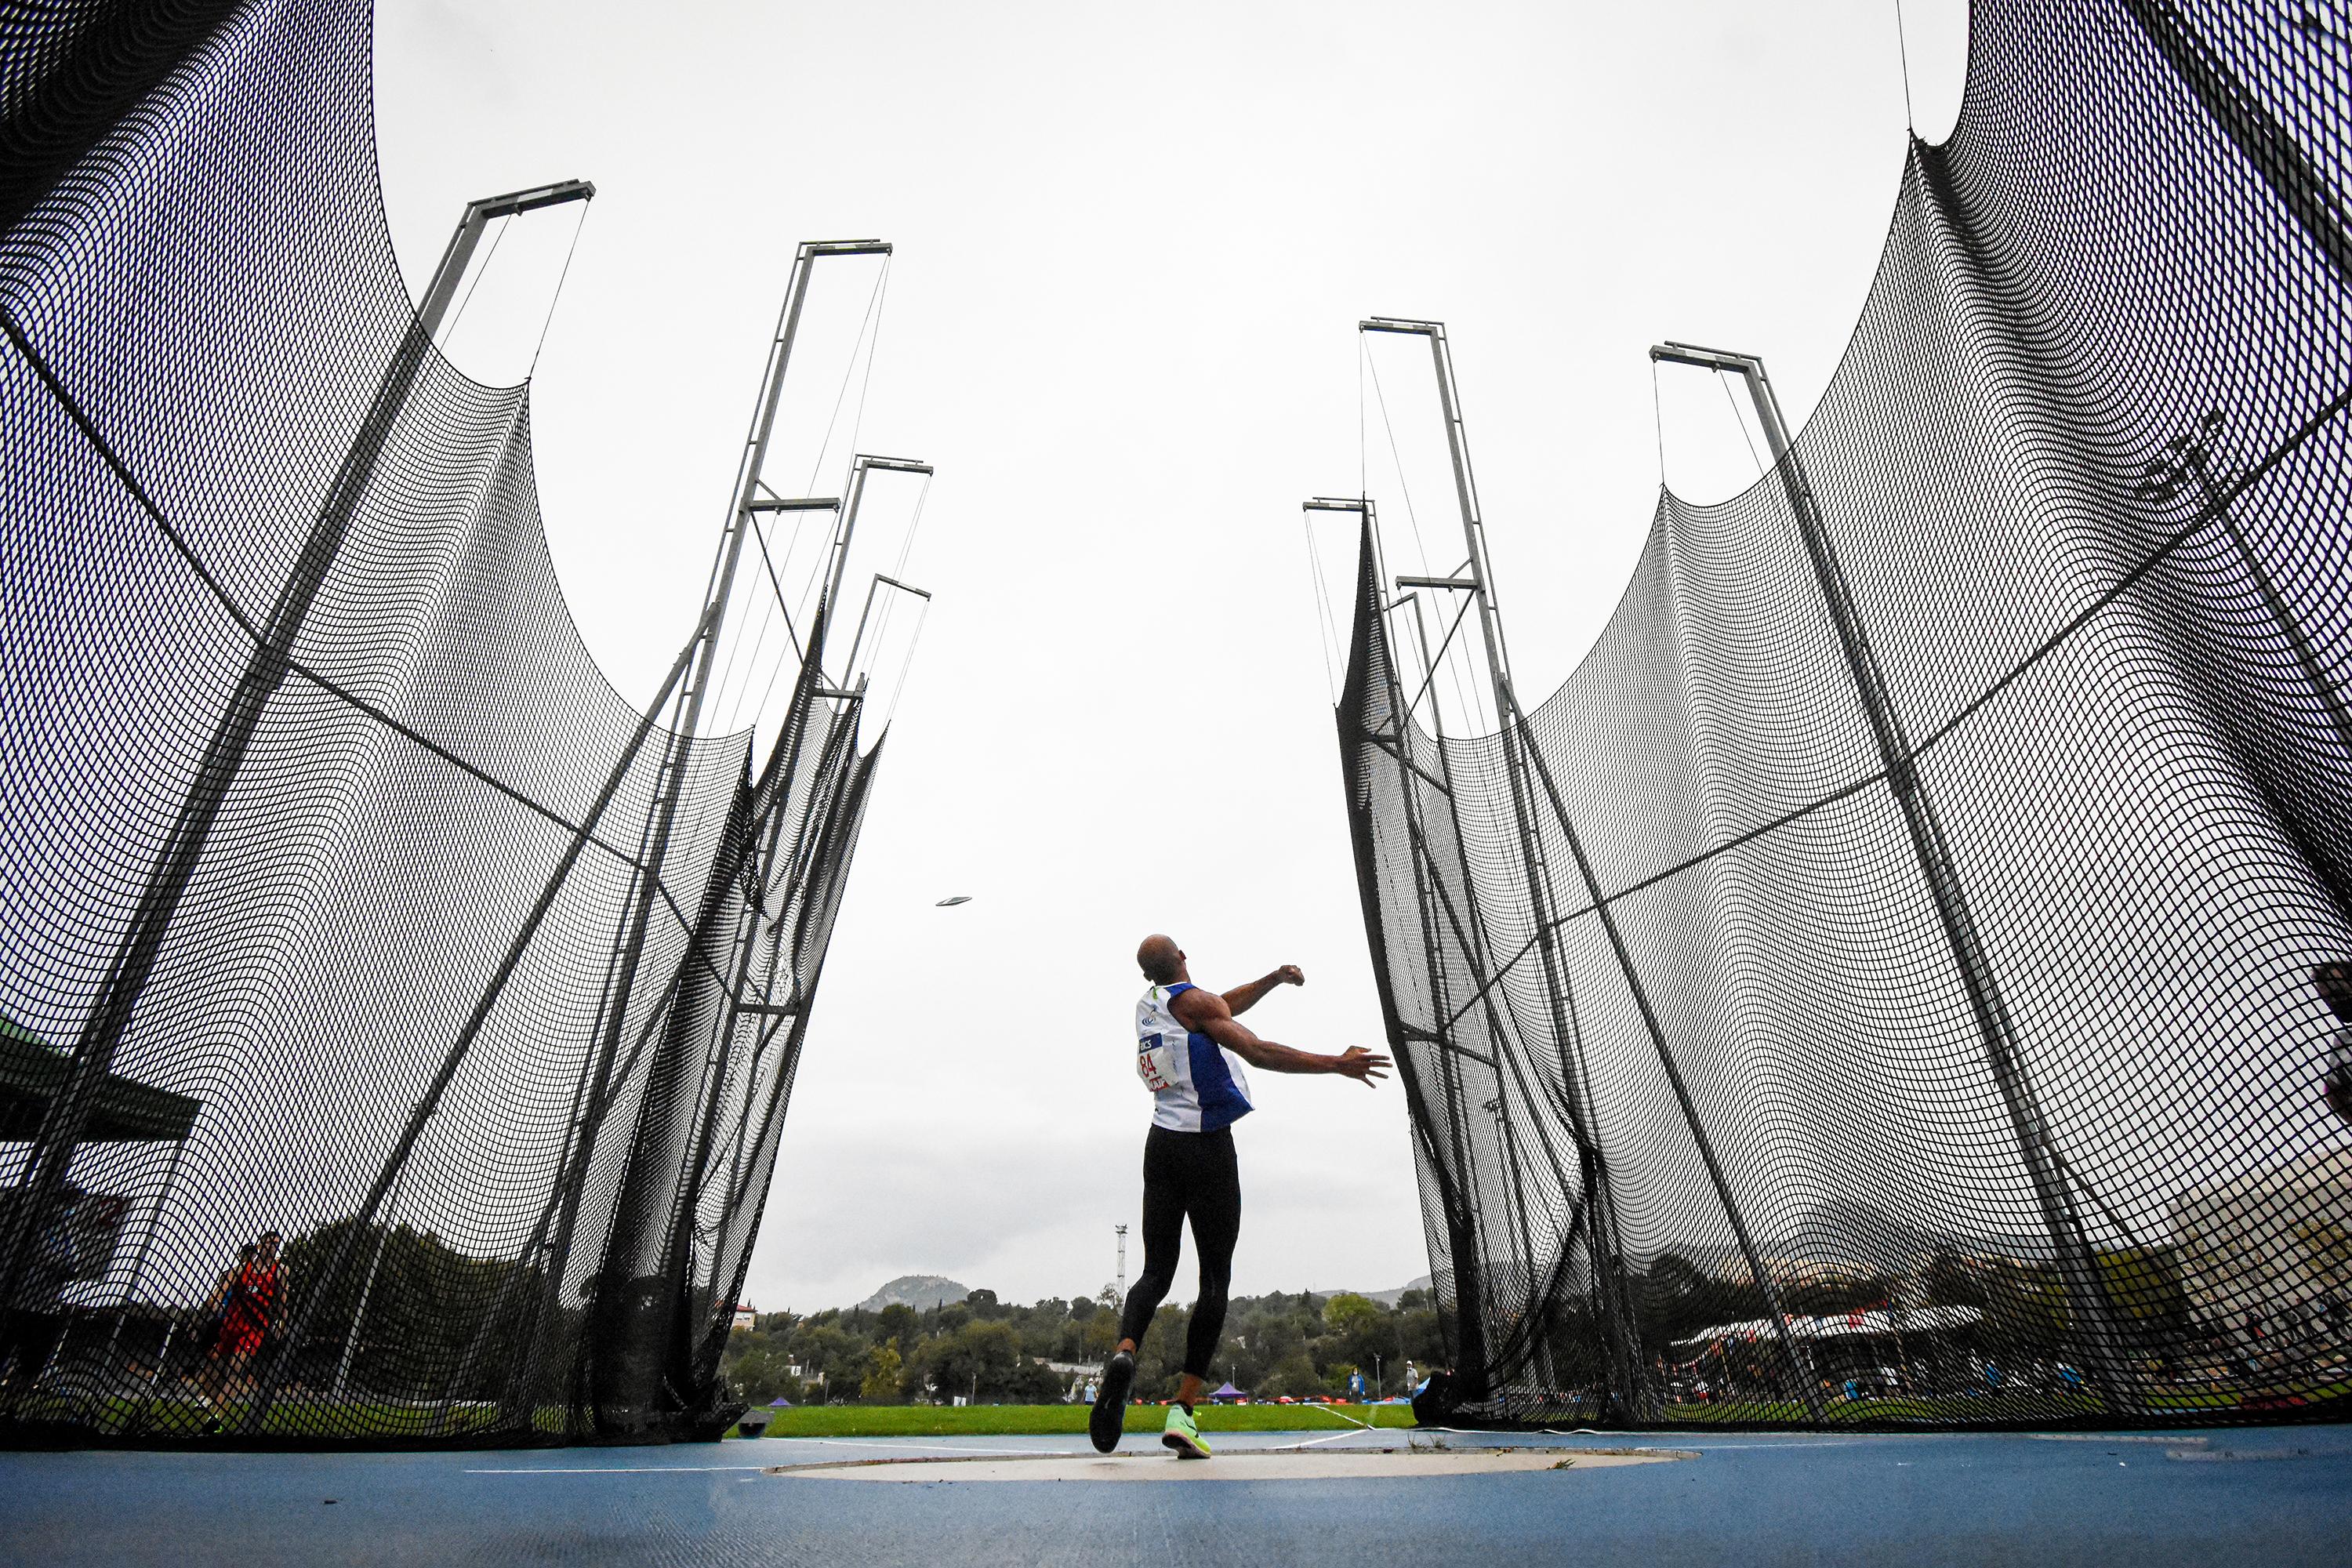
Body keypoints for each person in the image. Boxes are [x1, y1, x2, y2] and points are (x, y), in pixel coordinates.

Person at [1090, 935, 1388, 1458]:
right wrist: (1334, 1064)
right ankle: (1182, 1411)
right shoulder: (1197, 1004)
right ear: (1183, 957)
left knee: (1155, 1273)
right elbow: (1256, 1049)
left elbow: (1216, 1006)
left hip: (1161, 1146)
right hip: (1207, 1150)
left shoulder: (1150, 1004)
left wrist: (1271, 980)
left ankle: (1124, 1351)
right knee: (1214, 1281)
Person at [200, 1230, 282, 1424]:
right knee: (215, 1362)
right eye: (269, 1242)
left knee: (236, 1367)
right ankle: (207, 1397)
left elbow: (282, 1300)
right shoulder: (239, 1271)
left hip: (254, 1327)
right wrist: (215, 1303)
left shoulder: (278, 1271)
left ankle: (216, 1417)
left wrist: (281, 1322)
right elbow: (219, 1291)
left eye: (276, 1244)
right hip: (229, 1323)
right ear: (261, 1245)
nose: (272, 1247)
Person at [2315, 963, 2352, 1126]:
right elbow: (2332, 1091)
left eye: (2338, 992)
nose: (2335, 1002)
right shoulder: (2343, 1042)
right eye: (2328, 999)